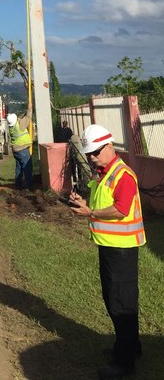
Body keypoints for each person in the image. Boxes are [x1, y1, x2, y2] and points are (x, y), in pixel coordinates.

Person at [69, 124, 146, 379]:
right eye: (90, 153)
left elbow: (121, 209)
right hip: (110, 247)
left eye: (96, 152)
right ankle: (129, 348)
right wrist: (84, 203)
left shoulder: (122, 175)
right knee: (118, 301)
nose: (92, 157)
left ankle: (124, 364)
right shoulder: (105, 173)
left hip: (121, 250)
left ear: (110, 146)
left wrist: (90, 213)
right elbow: (104, 203)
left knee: (120, 304)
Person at [7, 104, 33, 189]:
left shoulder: (12, 127)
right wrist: (29, 108)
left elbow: (21, 118)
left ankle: (18, 184)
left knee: (19, 167)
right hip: (22, 149)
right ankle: (29, 185)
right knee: (27, 166)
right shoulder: (20, 125)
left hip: (16, 150)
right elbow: (28, 117)